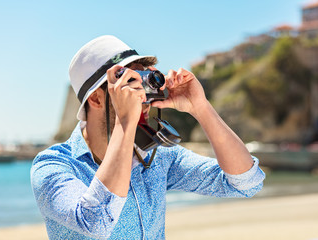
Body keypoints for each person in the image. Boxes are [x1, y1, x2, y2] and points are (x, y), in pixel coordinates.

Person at [31, 35, 265, 240]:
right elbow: (97, 221)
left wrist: (201, 108)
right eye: (129, 84)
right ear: (95, 99)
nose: (142, 96)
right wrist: (126, 122)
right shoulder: (53, 166)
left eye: (142, 81)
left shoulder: (157, 158)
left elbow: (246, 183)